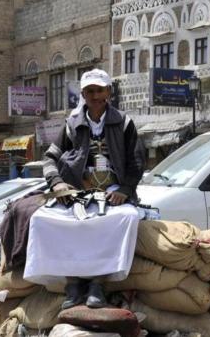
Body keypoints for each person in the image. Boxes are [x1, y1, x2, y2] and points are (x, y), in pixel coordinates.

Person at [24, 68, 145, 310]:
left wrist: (125, 188)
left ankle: (98, 285)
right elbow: (50, 158)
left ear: (108, 92)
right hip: (77, 192)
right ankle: (72, 284)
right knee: (43, 220)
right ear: (83, 94)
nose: (95, 96)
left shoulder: (124, 122)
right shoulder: (72, 123)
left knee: (125, 218)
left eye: (100, 90)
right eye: (90, 91)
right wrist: (58, 183)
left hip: (113, 190)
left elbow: (137, 160)